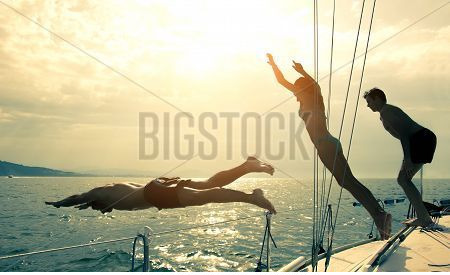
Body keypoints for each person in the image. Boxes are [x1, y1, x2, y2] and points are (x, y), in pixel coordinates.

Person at [267, 53, 391, 239]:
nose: (294, 92)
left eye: (297, 89)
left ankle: (379, 216)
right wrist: (284, 67)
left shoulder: (310, 98)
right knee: (350, 182)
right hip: (331, 142)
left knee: (348, 182)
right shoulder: (317, 101)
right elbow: (292, 82)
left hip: (325, 145)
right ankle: (379, 215)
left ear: (302, 90)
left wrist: (287, 68)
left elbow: (289, 82)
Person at [45, 157, 276, 214]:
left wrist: (59, 203)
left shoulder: (101, 192)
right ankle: (246, 166)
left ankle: (251, 197)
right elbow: (88, 202)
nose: (102, 211)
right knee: (209, 183)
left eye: (96, 207)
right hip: (157, 184)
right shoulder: (112, 194)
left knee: (202, 196)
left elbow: (79, 196)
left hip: (154, 193)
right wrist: (88, 205)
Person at [363, 88, 437, 227]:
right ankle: (423, 217)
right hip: (422, 139)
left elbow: (404, 134)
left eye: (369, 101)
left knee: (403, 179)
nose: (368, 105)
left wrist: (407, 158)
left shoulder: (386, 112)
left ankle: (424, 218)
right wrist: (407, 158)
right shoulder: (385, 112)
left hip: (421, 139)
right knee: (404, 179)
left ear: (377, 98)